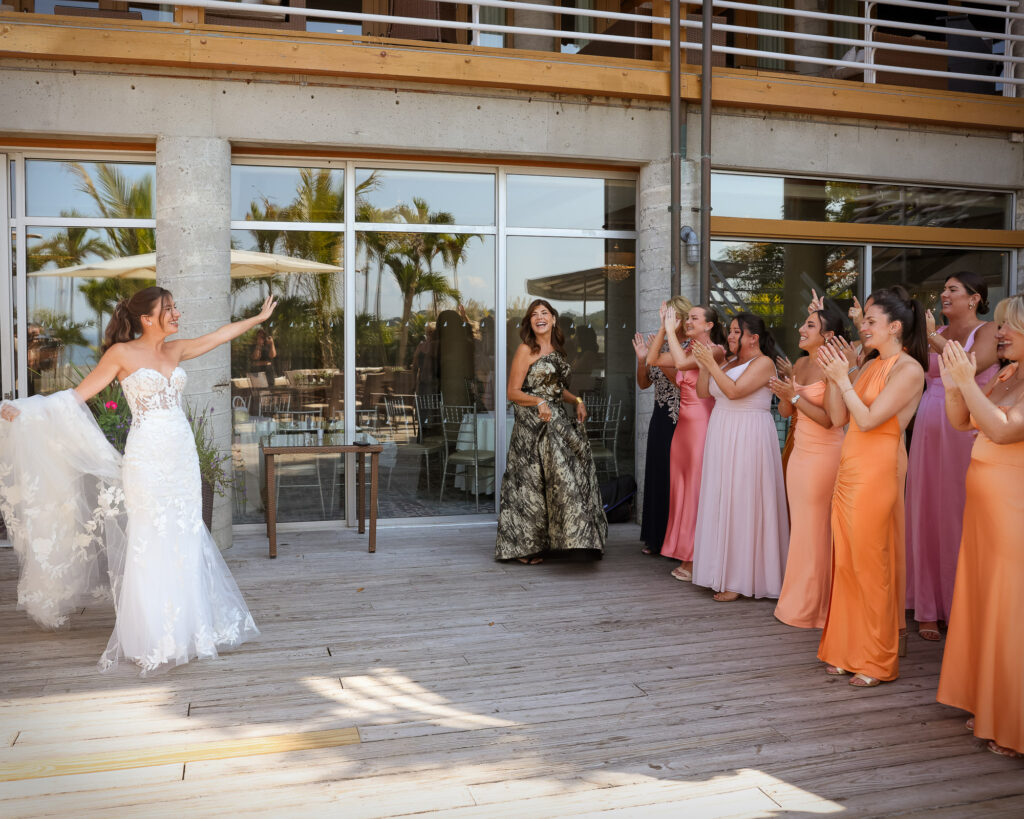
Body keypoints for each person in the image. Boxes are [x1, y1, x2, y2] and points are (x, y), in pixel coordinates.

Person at [0, 286, 276, 674]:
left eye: (176, 307)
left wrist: (257, 320)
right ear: (147, 318)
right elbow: (75, 398)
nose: (177, 313)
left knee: (185, 532)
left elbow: (218, 336)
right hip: (147, 459)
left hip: (182, 457)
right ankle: (152, 636)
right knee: (151, 535)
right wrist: (28, 411)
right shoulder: (121, 354)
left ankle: (189, 629)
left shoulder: (175, 350)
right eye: (169, 308)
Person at [816, 286, 927, 687]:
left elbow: (868, 420)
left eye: (871, 320)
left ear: (895, 327)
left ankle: (878, 659)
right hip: (849, 467)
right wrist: (836, 377)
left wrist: (842, 378)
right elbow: (837, 418)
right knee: (846, 562)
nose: (863, 326)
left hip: (878, 469)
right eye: (864, 320)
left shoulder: (909, 369)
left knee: (871, 564)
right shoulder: (868, 365)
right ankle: (847, 649)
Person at [936, 295, 1024, 760]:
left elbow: (1006, 430)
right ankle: (988, 701)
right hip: (984, 511)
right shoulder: (1008, 375)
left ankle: (1012, 719)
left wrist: (968, 381)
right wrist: (956, 385)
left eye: (1008, 326)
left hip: (1014, 509)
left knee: (1009, 607)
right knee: (985, 600)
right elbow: (962, 420)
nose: (999, 332)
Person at [905, 272, 999, 642]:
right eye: (944, 289)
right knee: (927, 511)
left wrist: (932, 338)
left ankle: (962, 603)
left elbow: (970, 368)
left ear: (975, 298)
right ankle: (928, 606)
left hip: (967, 429)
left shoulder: (989, 331)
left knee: (960, 511)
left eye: (952, 289)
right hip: (929, 427)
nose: (944, 294)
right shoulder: (937, 331)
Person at [495, 299, 606, 564]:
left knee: (570, 472)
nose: (540, 317)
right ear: (530, 322)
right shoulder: (526, 349)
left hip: (556, 420)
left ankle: (574, 539)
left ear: (553, 319)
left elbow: (556, 390)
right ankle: (524, 548)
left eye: (544, 313)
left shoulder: (558, 351)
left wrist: (576, 400)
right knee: (530, 484)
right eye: (534, 314)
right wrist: (538, 402)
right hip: (532, 425)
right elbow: (513, 392)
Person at [691, 313, 789, 602]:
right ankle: (718, 571)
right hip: (722, 431)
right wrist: (706, 366)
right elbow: (703, 392)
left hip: (749, 435)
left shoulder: (764, 363)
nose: (730, 336)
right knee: (721, 498)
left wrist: (711, 364)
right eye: (731, 331)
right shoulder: (729, 362)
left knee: (743, 501)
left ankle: (740, 578)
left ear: (753, 338)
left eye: (736, 332)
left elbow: (734, 392)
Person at [771, 307, 850, 628]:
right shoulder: (800, 363)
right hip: (800, 454)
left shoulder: (833, 367)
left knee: (816, 530)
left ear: (828, 335)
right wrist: (785, 394)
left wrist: (795, 397)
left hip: (824, 456)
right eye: (804, 323)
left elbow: (831, 420)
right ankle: (797, 599)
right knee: (802, 528)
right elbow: (786, 412)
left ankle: (815, 607)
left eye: (810, 325)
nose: (801, 329)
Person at [647, 301, 726, 579]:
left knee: (695, 492)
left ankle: (695, 559)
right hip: (683, 427)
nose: (688, 322)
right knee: (680, 490)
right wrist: (663, 328)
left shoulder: (715, 350)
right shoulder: (689, 348)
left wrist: (671, 331)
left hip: (702, 425)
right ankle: (683, 552)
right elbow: (652, 359)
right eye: (687, 318)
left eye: (694, 318)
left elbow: (680, 364)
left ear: (709, 325)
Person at [633, 322, 679, 556]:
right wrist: (643, 360)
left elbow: (680, 381)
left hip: (680, 418)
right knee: (657, 473)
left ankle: (675, 541)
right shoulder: (660, 344)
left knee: (675, 479)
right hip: (659, 417)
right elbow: (644, 383)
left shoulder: (688, 348)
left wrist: (659, 356)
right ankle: (655, 537)